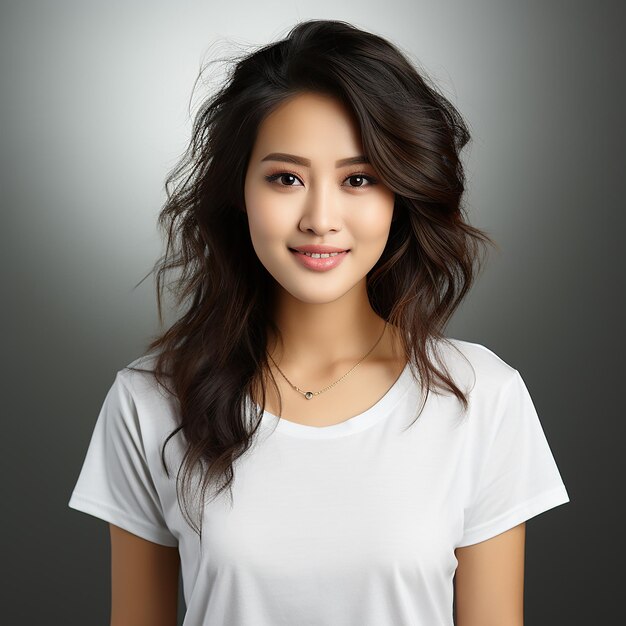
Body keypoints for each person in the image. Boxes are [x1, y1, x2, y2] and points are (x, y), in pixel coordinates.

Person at [68, 19, 570, 626]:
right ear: (240, 193)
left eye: (358, 179)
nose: (321, 218)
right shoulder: (150, 400)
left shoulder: (481, 396)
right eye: (286, 178)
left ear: (400, 196)